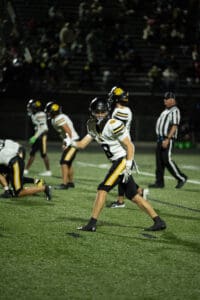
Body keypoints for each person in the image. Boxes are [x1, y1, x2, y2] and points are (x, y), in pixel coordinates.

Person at [71, 97, 166, 232]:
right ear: (91, 111)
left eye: (102, 112)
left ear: (107, 111)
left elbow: (130, 146)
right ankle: (159, 221)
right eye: (97, 111)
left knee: (102, 189)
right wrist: (70, 143)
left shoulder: (113, 124)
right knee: (133, 196)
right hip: (118, 162)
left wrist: (128, 164)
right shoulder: (91, 124)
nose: (99, 114)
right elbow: (82, 144)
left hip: (122, 161)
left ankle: (91, 224)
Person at [107, 86, 149, 208]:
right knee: (122, 173)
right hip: (120, 144)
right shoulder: (121, 110)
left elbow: (116, 128)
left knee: (121, 172)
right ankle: (139, 191)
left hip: (123, 145)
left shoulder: (123, 111)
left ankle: (121, 201)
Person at [149, 92, 187, 189]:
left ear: (172, 100)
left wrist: (167, 139)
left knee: (167, 160)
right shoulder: (166, 110)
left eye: (167, 99)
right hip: (160, 139)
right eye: (164, 98)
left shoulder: (175, 110)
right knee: (159, 162)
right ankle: (159, 182)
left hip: (167, 139)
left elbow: (174, 126)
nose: (164, 100)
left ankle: (181, 178)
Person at [44, 101, 79, 189]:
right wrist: (64, 142)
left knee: (64, 162)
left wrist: (67, 143)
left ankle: (64, 184)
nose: (47, 113)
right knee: (68, 163)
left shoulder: (59, 118)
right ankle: (70, 182)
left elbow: (68, 131)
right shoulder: (56, 118)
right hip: (72, 140)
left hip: (73, 141)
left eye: (49, 111)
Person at [24, 99, 52, 176]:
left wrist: (35, 137)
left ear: (35, 108)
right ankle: (26, 169)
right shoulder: (34, 115)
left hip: (42, 136)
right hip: (38, 136)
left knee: (43, 154)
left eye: (31, 107)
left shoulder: (40, 115)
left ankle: (48, 171)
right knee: (32, 152)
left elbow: (43, 128)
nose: (29, 109)